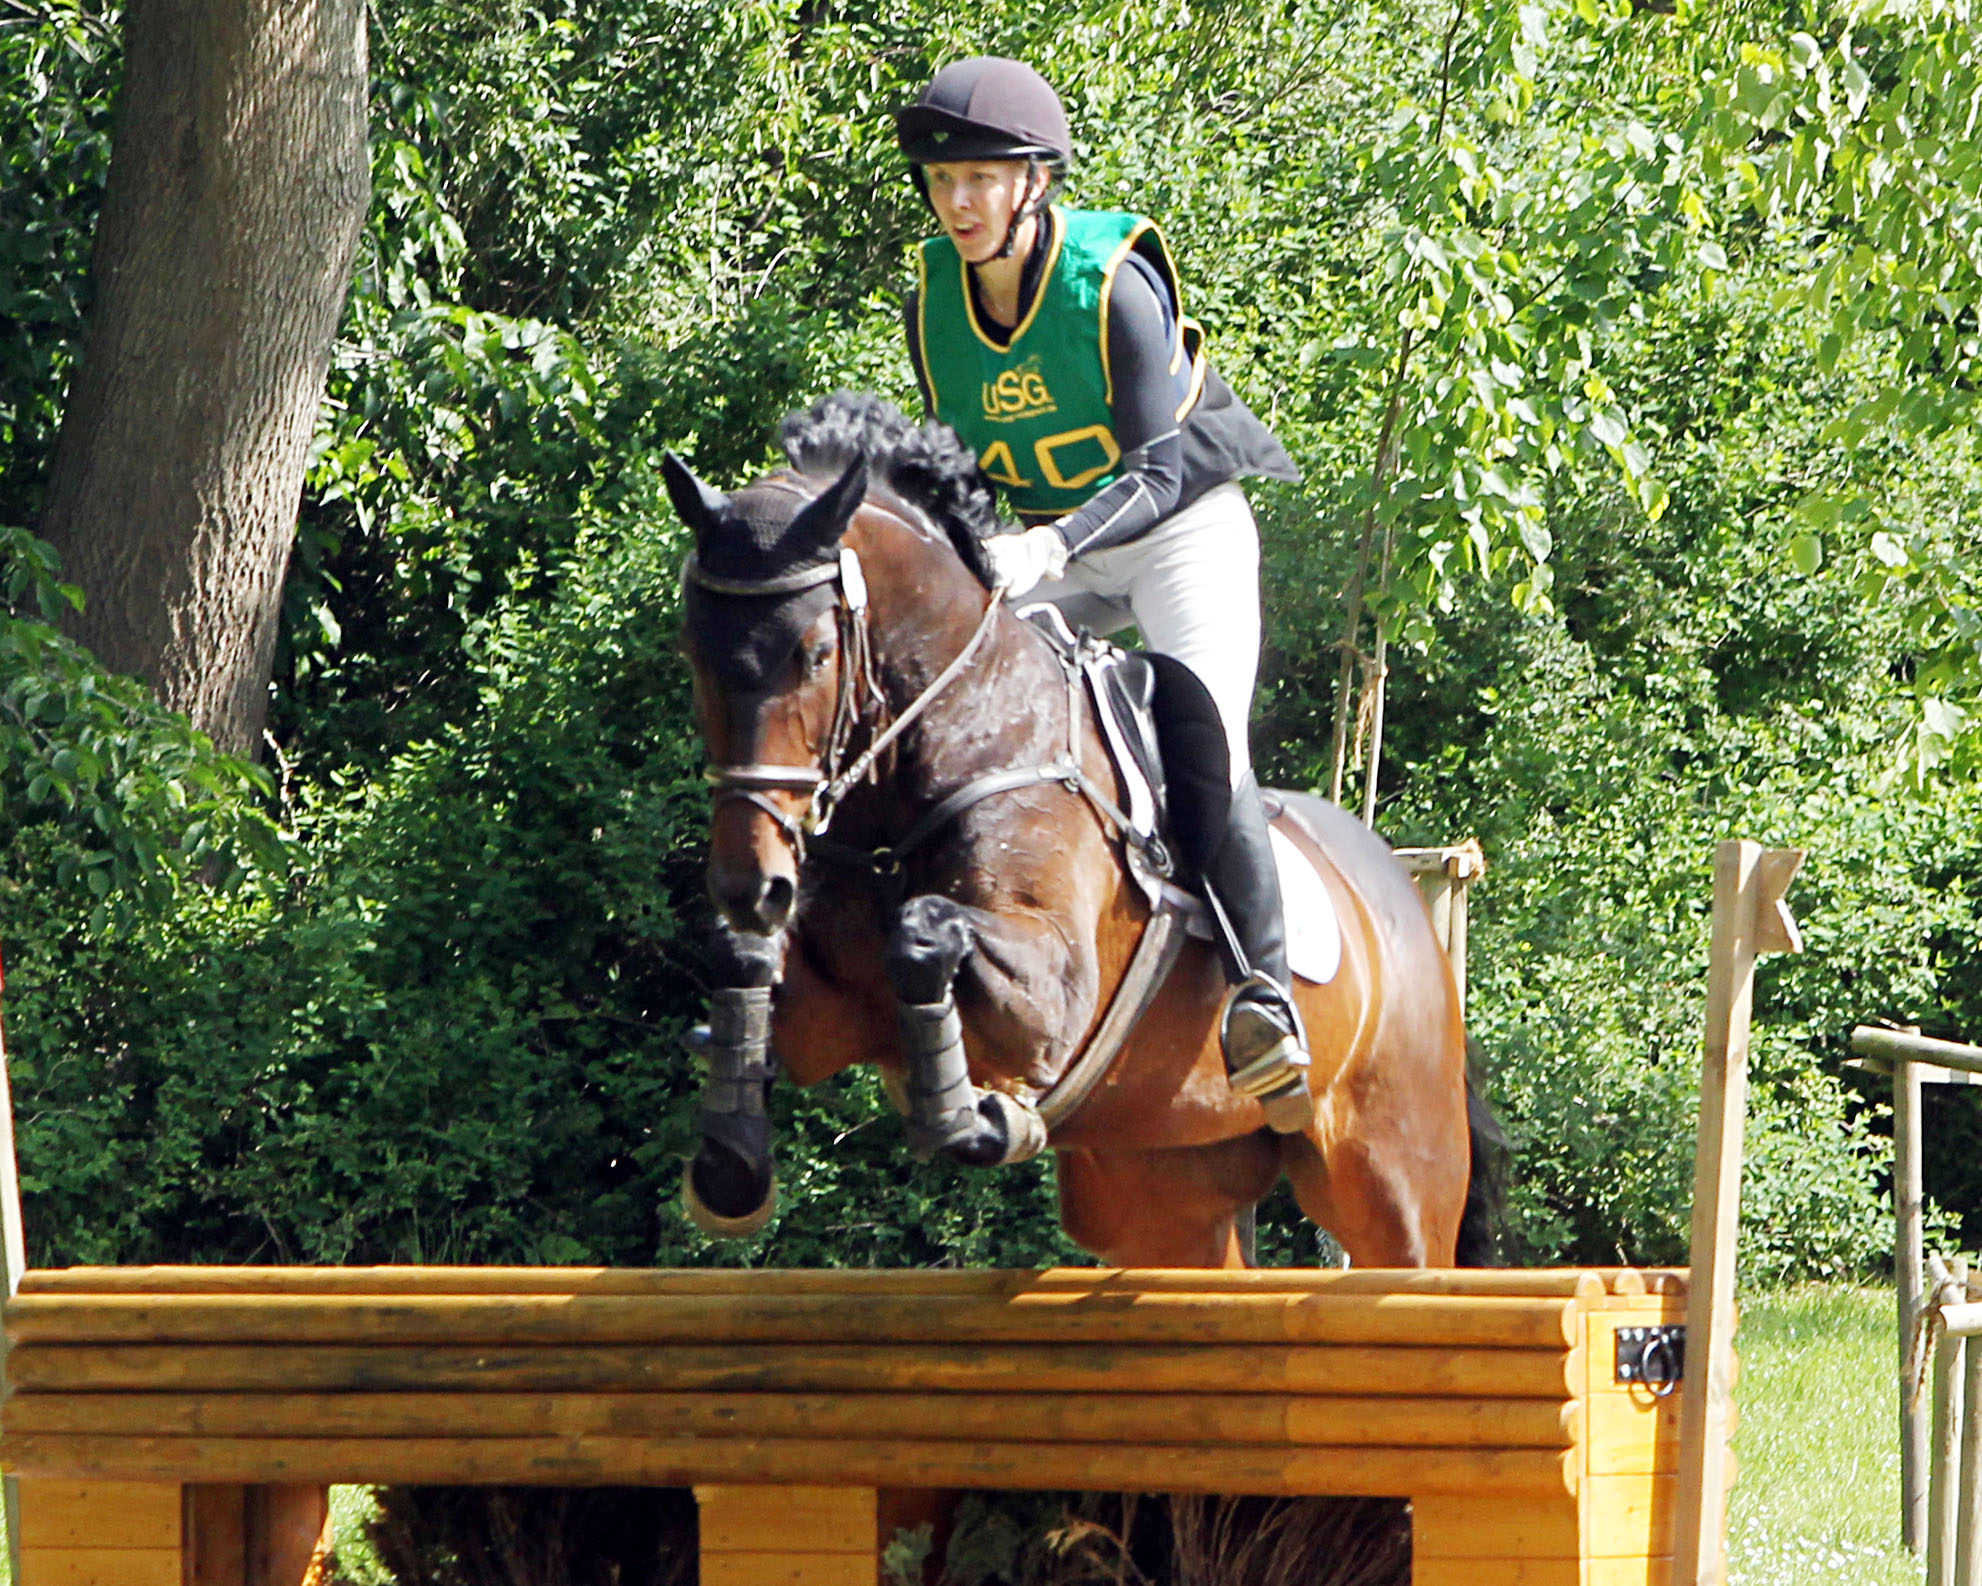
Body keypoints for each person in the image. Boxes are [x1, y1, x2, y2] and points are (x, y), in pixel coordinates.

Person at [894, 56, 1314, 1130]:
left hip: (1177, 533)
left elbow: (1162, 468)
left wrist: (1047, 547)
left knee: (1197, 732)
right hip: (1051, 551)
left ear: (1034, 182)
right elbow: (961, 469)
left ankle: (1263, 995)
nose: (957, 203)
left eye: (981, 178)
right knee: (965, 722)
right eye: (943, 180)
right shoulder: (934, 302)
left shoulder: (1111, 280)